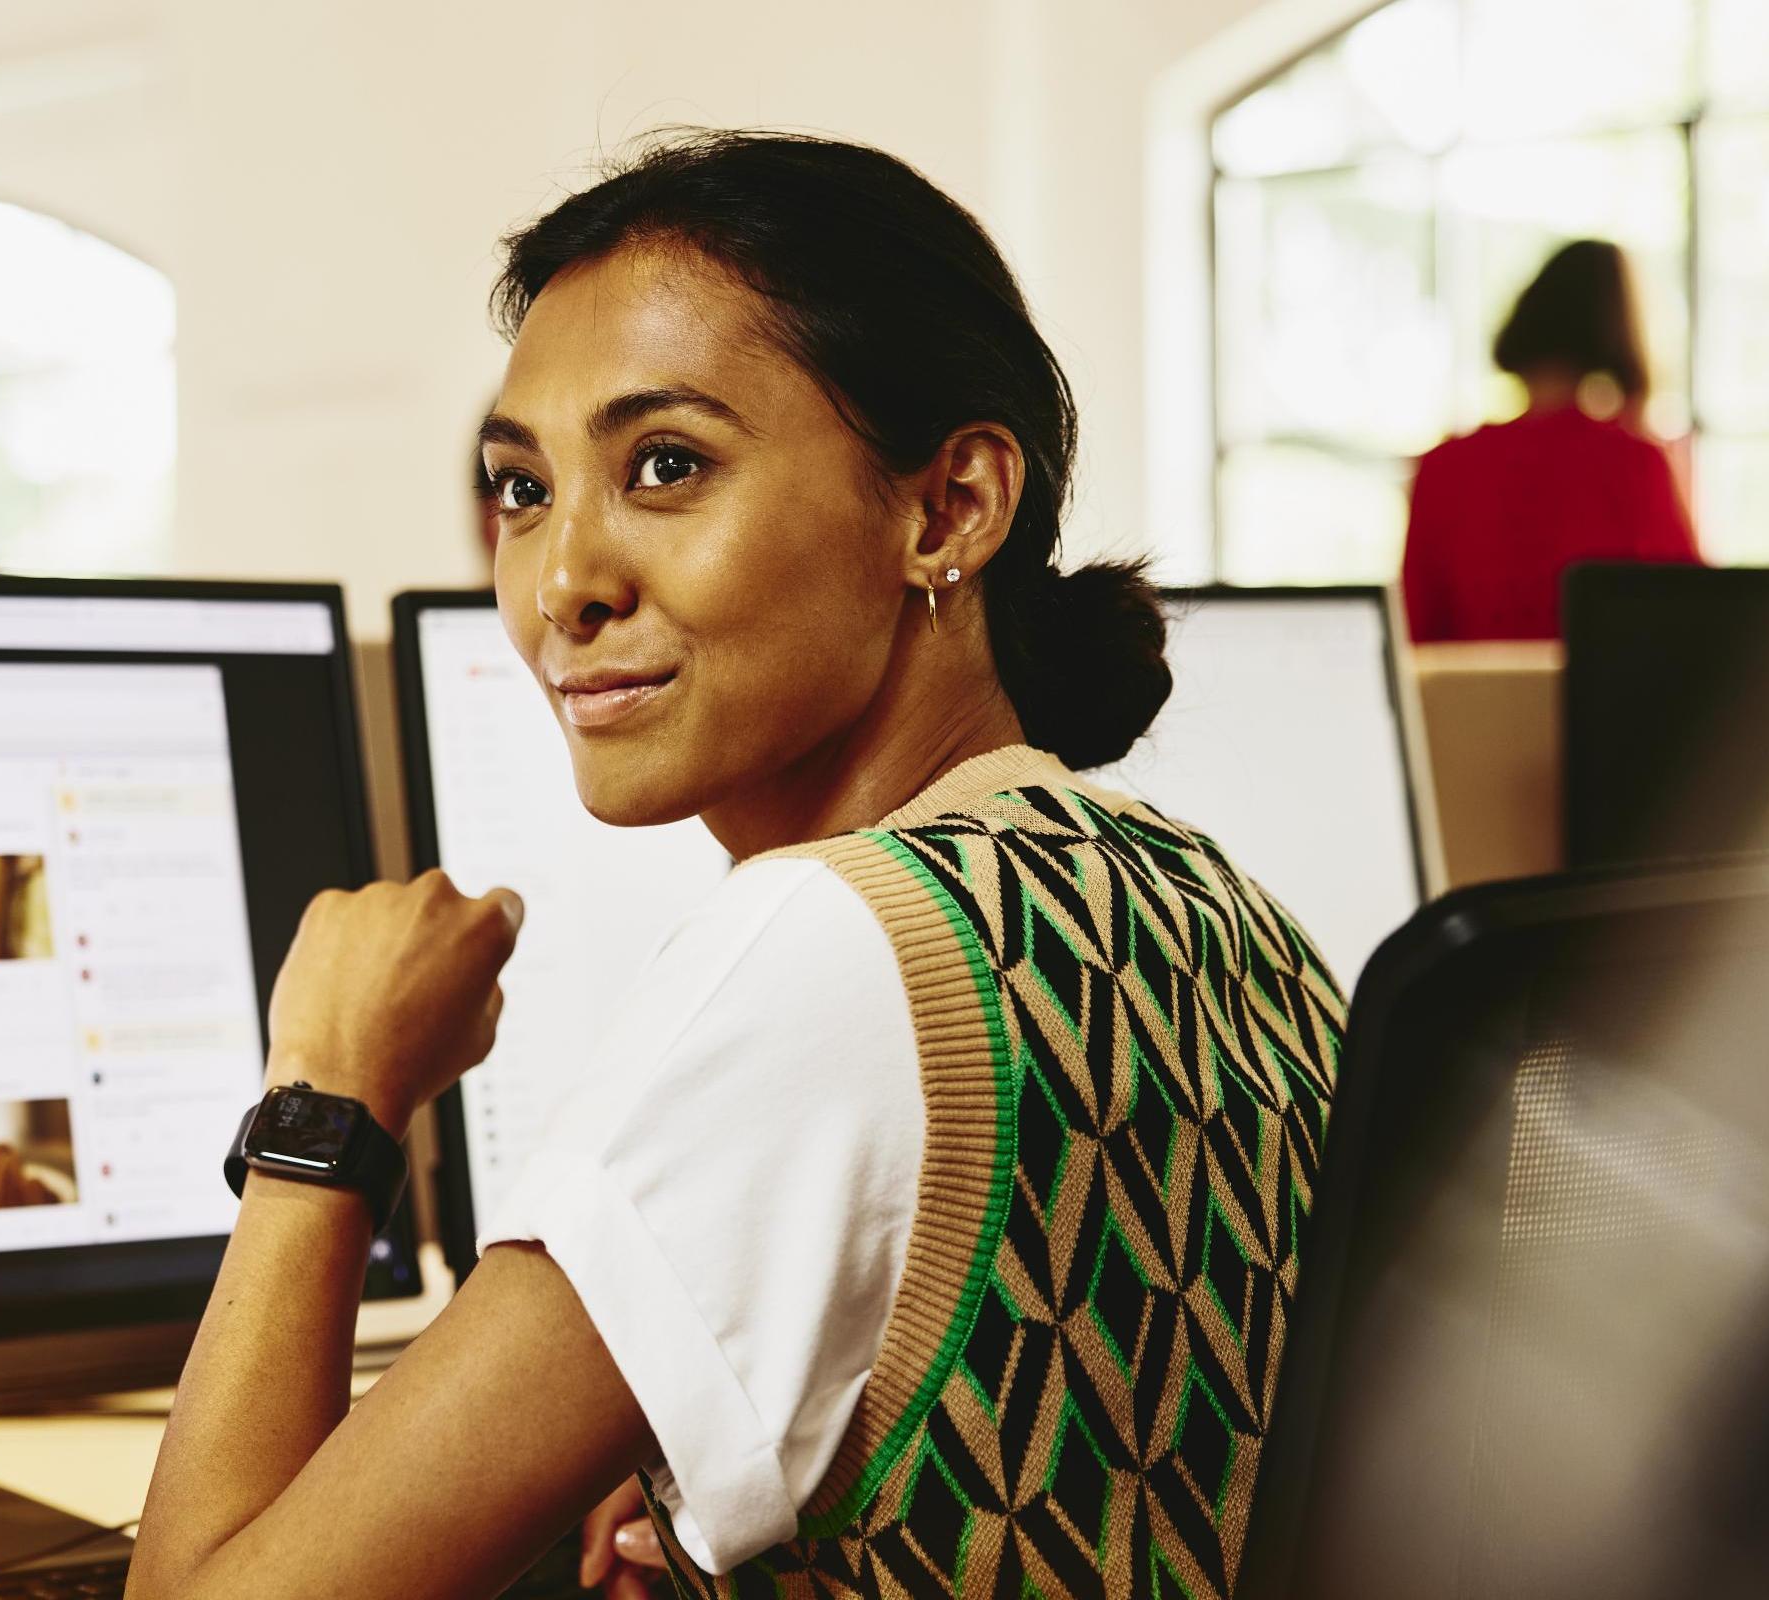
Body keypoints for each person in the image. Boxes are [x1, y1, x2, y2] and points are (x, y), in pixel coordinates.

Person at [127, 130, 1344, 1600]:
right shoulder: (1203, 895)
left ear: (947, 507)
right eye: (523, 490)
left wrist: (327, 1094)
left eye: (665, 466)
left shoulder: (823, 946)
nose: (562, 582)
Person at [1400, 239, 1700, 643]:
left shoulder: (1444, 466)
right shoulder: (1635, 465)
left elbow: (1413, 640)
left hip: (1469, 707)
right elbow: (1697, 624)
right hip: (1605, 706)